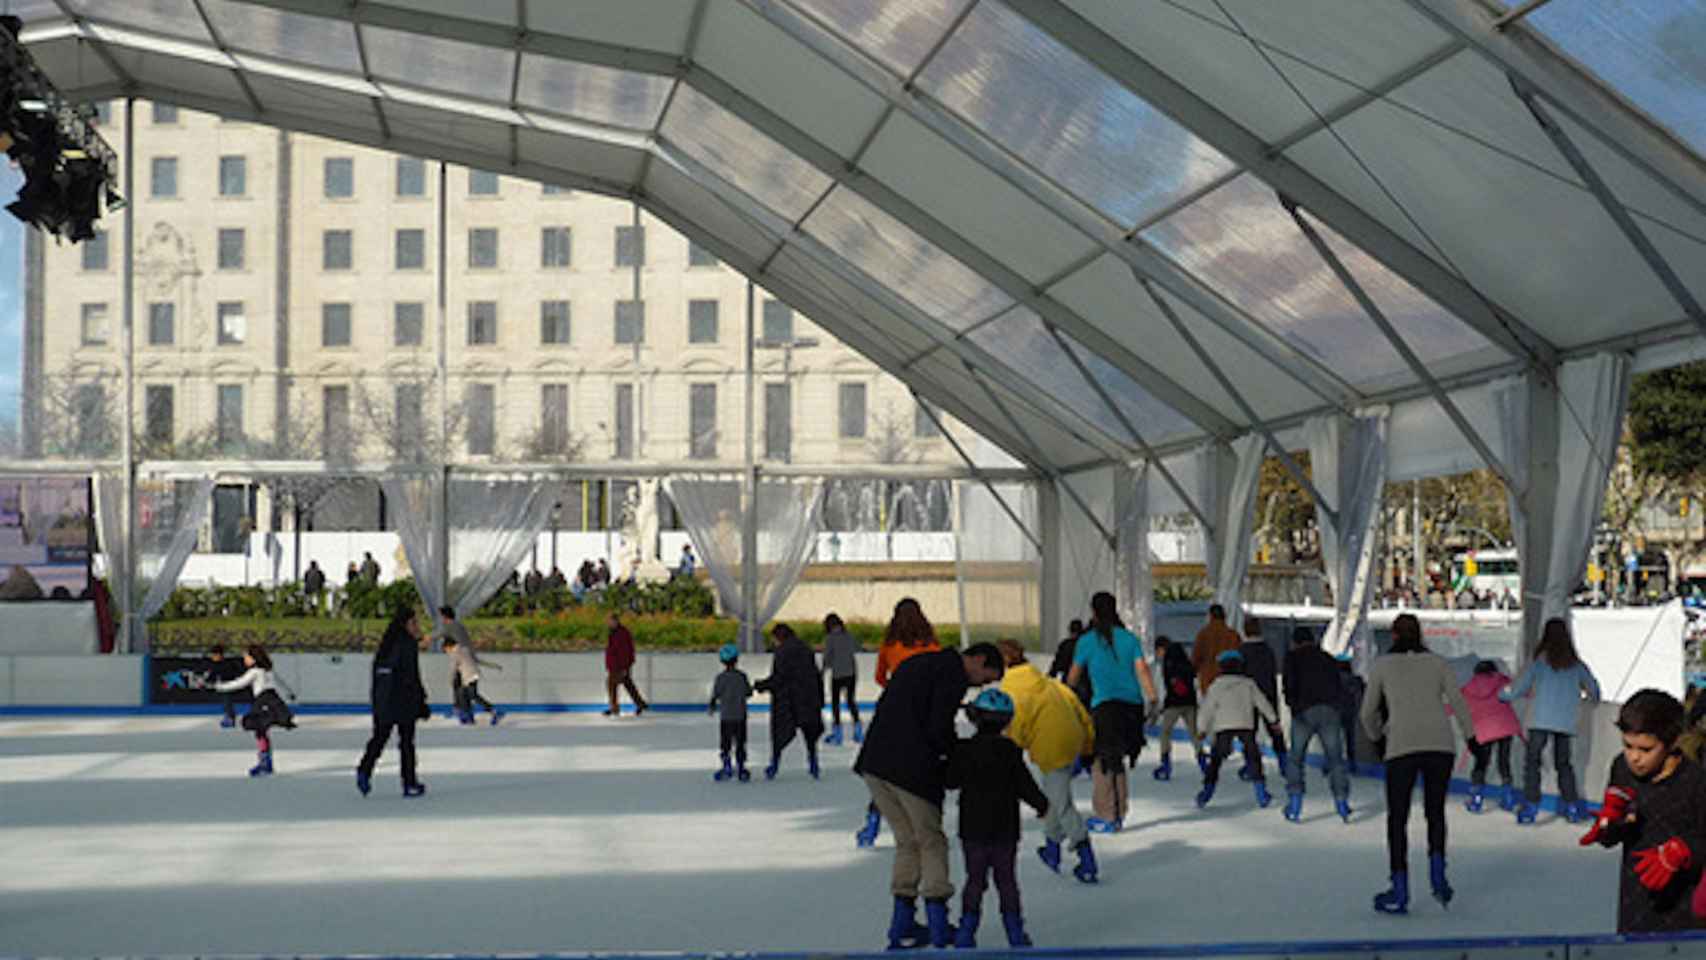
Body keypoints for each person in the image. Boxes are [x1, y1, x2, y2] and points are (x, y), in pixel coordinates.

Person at [853, 636, 1005, 950]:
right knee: (931, 841)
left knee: (907, 842)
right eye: (984, 678)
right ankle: (937, 922)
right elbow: (939, 728)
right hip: (910, 769)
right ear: (977, 660)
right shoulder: (952, 675)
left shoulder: (921, 663)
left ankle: (902, 923)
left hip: (875, 764)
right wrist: (956, 759)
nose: (978, 686)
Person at [1361, 613, 1474, 914]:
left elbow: (1367, 712)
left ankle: (1399, 888)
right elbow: (1458, 702)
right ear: (1420, 634)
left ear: (1394, 636)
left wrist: (1377, 740)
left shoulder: (1382, 666)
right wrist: (1471, 737)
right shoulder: (1437, 663)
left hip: (1401, 744)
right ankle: (1438, 875)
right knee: (1435, 812)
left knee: (1397, 818)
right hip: (1440, 744)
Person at [1579, 689, 1706, 933]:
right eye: (1628, 746)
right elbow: (1617, 834)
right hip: (1634, 902)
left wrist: (1683, 851)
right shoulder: (1621, 768)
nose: (1634, 757)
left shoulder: (1696, 782)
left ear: (1671, 743)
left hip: (1683, 906)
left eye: (1646, 749)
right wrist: (1610, 827)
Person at [945, 689, 1049, 949]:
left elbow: (950, 781)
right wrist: (1042, 805)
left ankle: (966, 932)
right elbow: (1024, 785)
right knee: (1007, 881)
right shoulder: (1010, 752)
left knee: (974, 880)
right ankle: (1014, 932)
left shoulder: (965, 750)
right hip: (1005, 829)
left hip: (973, 829)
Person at [997, 638, 1096, 883]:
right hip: (1070, 738)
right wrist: (1087, 743)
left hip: (1052, 747)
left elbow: (1015, 726)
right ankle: (1052, 846)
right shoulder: (1044, 681)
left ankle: (1086, 857)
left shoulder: (1013, 690)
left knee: (1062, 804)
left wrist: (1008, 752)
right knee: (1054, 793)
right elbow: (1076, 705)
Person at [1065, 591, 1157, 834]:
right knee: (1117, 760)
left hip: (1105, 706)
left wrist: (1066, 694)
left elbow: (1073, 676)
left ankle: (1107, 814)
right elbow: (1142, 670)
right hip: (1131, 706)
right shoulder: (1129, 639)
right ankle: (1118, 811)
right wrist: (1153, 697)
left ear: (1093, 611)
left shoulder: (1086, 642)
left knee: (1103, 760)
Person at [858, 598, 943, 848]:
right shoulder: (932, 644)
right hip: (925, 713)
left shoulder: (889, 644)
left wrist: (897, 690)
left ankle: (874, 817)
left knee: (886, 769)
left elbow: (879, 677)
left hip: (894, 712)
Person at [1501, 618, 1602, 824]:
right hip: (1566, 722)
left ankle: (1530, 806)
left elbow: (1519, 688)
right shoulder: (1576, 665)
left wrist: (1502, 695)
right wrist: (1586, 697)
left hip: (1540, 720)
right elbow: (1594, 691)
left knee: (1532, 763)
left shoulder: (1540, 662)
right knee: (1564, 764)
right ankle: (1572, 806)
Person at [355, 607, 430, 797]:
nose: (417, 626)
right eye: (414, 623)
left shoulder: (386, 645)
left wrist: (378, 701)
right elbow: (412, 676)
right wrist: (421, 702)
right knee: (406, 744)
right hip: (403, 700)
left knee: (379, 738)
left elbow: (378, 677)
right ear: (405, 625)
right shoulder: (407, 644)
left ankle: (364, 770)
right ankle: (409, 783)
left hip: (383, 701)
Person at [1281, 626, 1352, 823]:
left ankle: (1295, 803)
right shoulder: (1328, 658)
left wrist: (1294, 707)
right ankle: (1341, 801)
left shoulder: (1292, 658)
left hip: (1304, 711)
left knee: (1296, 758)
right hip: (1329, 710)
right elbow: (1339, 685)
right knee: (1335, 758)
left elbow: (1289, 685)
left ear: (1295, 642)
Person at [1194, 650, 1276, 809]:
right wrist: (1273, 720)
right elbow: (1263, 702)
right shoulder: (1248, 684)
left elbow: (1207, 709)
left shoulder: (1217, 686)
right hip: (1246, 725)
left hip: (1223, 726)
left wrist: (1201, 728)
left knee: (1216, 760)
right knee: (1253, 758)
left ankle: (1206, 793)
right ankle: (1261, 793)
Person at [754, 623, 825, 780]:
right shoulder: (806, 648)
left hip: (789, 700)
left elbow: (779, 678)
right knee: (810, 735)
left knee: (780, 733)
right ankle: (813, 763)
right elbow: (816, 674)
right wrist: (820, 698)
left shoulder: (782, 652)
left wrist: (761, 685)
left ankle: (774, 765)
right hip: (808, 698)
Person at [213, 645, 296, 777]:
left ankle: (265, 763)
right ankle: (266, 762)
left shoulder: (255, 672)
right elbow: (280, 682)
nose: (244, 659)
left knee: (260, 730)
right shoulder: (268, 670)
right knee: (262, 731)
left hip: (263, 700)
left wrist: (220, 687)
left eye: (246, 657)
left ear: (254, 658)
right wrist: (289, 692)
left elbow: (239, 683)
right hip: (274, 700)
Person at [1461, 659, 1521, 814]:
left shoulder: (1468, 688)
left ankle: (1476, 799)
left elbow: (1453, 706)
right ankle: (1508, 798)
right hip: (1505, 727)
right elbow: (1521, 691)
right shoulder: (1503, 682)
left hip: (1484, 730)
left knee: (1481, 763)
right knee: (1504, 762)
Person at [1240, 616, 1288, 777]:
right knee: (1274, 729)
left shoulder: (1242, 651)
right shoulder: (1267, 649)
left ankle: (1252, 765)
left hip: (1247, 698)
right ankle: (1284, 764)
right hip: (1268, 694)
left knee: (1248, 733)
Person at [1152, 636, 1205, 781]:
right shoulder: (1183, 656)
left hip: (1175, 703)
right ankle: (1203, 763)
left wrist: (1171, 699)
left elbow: (1173, 682)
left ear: (1161, 648)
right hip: (1190, 702)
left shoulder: (1169, 661)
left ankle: (1165, 764)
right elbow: (1192, 673)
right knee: (1194, 733)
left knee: (1165, 733)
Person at [708, 643, 752, 782]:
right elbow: (748, 692)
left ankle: (726, 764)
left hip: (726, 716)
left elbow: (715, 695)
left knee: (725, 742)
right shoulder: (742, 676)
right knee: (740, 742)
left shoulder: (720, 678)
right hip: (740, 715)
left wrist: (712, 706)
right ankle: (740, 766)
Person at [443, 634, 503, 726]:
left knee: (472, 695)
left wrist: (450, 680)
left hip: (468, 676)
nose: (446, 652)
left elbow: (453, 668)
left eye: (446, 650)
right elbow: (477, 660)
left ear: (448, 646)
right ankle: (469, 716)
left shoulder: (454, 653)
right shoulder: (465, 649)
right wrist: (493, 665)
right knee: (468, 695)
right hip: (474, 674)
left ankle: (493, 711)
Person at [821, 612, 861, 745]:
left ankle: (838, 734)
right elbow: (857, 648)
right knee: (851, 701)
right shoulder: (849, 635)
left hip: (837, 674)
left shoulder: (829, 638)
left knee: (835, 703)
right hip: (851, 672)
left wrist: (823, 671)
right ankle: (858, 730)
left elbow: (827, 657)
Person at [603, 612, 648, 717]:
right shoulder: (614, 632)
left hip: (619, 666)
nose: (608, 623)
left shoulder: (621, 633)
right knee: (628, 685)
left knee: (611, 685)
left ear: (615, 621)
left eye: (609, 621)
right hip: (616, 666)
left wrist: (624, 667)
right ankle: (640, 704)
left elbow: (625, 651)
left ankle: (614, 709)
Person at [1191, 603, 1241, 695]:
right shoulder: (1233, 635)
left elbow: (1196, 657)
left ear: (1210, 616)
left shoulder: (1203, 634)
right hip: (1228, 681)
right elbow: (1239, 658)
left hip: (1208, 679)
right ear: (1224, 616)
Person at [1047, 619, 1092, 708]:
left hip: (1068, 682)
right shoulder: (1087, 644)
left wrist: (1049, 678)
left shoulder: (1065, 644)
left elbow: (1056, 666)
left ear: (1070, 630)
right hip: (1086, 683)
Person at [207, 643, 244, 729]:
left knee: (227, 699)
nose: (212, 657)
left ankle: (230, 718)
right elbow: (212, 676)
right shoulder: (215, 665)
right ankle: (229, 716)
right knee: (226, 701)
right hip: (224, 686)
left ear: (219, 655)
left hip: (231, 685)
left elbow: (236, 673)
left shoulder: (227, 664)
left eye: (214, 655)